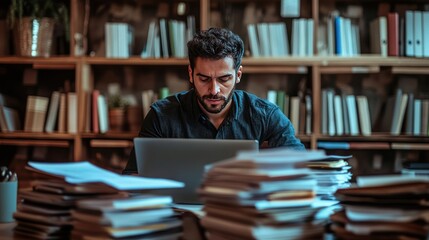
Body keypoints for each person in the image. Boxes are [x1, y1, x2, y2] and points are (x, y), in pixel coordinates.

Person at [123, 27, 305, 174]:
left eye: (224, 79)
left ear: (238, 75)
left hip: (242, 213)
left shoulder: (264, 114)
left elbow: (301, 168)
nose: (214, 90)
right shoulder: (161, 115)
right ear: (191, 74)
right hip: (179, 214)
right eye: (204, 79)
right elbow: (133, 177)